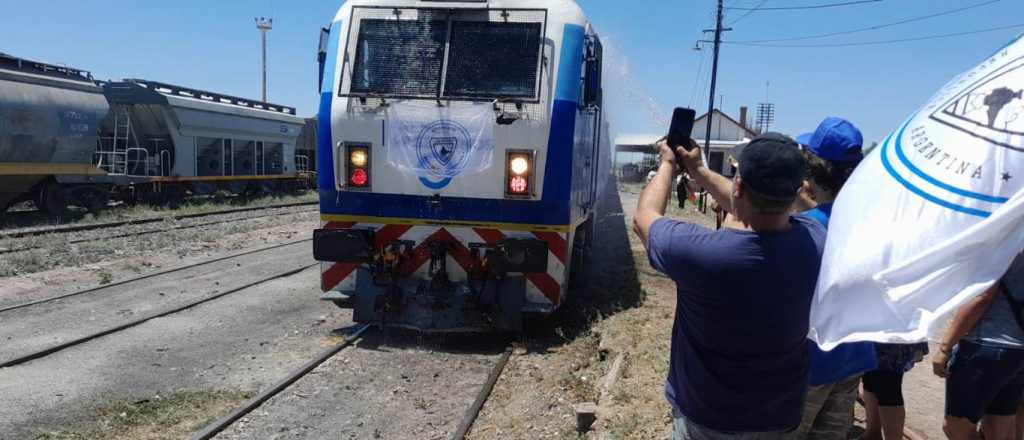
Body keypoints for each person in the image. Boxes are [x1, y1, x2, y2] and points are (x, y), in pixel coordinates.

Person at [634, 133, 826, 439]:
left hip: (708, 419)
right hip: (781, 416)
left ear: (738, 185)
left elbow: (644, 217)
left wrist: (668, 164)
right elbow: (766, 209)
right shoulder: (816, 240)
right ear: (794, 194)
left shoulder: (700, 253)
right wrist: (700, 172)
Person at [793, 118, 878, 440]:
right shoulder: (870, 221)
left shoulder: (803, 231)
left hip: (809, 364)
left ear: (813, 170)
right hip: (853, 358)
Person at [933, 252, 1024, 440]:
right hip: (1017, 351)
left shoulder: (1005, 244)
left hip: (986, 346)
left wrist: (945, 347)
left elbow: (981, 298)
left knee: (955, 427)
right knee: (999, 430)